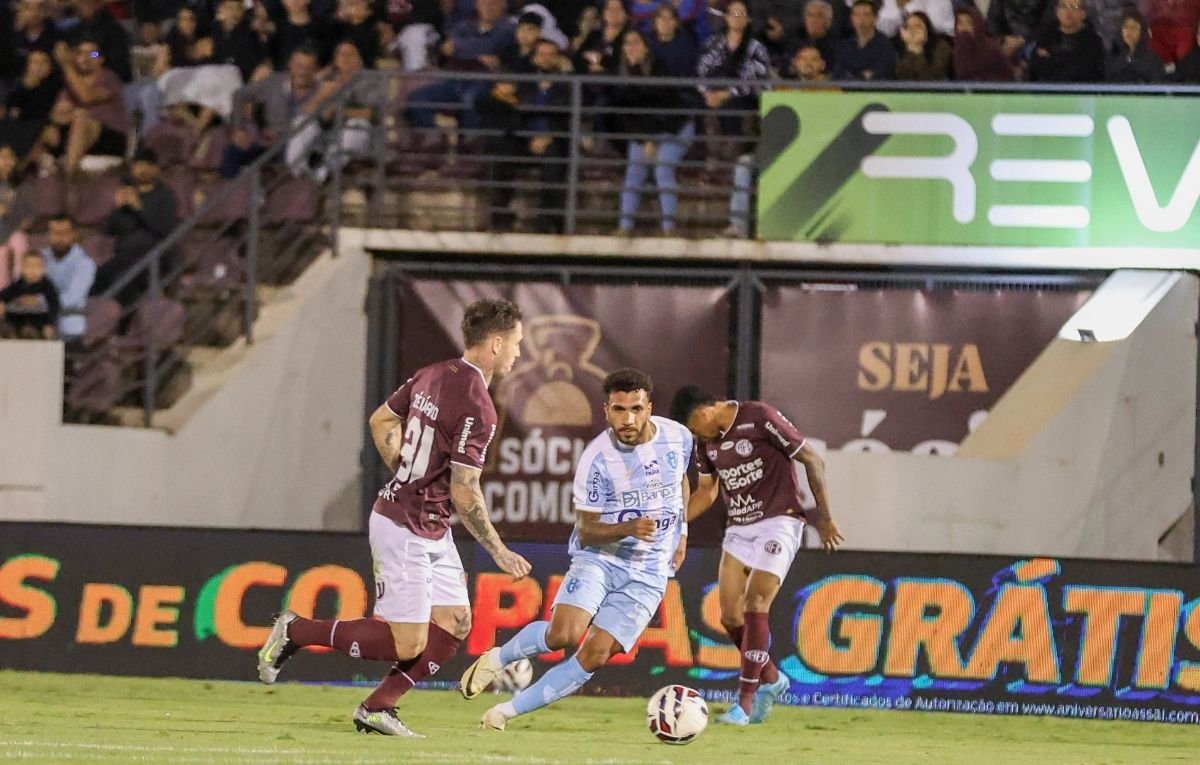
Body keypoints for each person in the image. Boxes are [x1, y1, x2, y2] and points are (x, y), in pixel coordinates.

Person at [257, 298, 533, 737]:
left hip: (428, 524)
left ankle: (377, 707)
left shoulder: (433, 373)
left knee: (456, 621)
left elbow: (382, 419)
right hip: (405, 527)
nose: (520, 352)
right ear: (496, 344)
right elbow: (465, 490)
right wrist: (498, 550)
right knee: (409, 642)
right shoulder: (479, 407)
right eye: (518, 343)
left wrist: (408, 473)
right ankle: (298, 630)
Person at [459, 368, 691, 731]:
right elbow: (587, 531)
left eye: (635, 408)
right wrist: (631, 527)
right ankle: (497, 658)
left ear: (650, 408)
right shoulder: (597, 460)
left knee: (594, 655)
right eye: (618, 409)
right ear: (605, 411)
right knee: (564, 634)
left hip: (649, 572)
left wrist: (683, 533)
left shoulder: (679, 437)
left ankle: (505, 713)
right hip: (601, 557)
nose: (627, 419)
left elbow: (681, 483)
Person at [668, 385, 843, 726]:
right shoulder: (707, 443)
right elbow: (707, 491)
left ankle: (744, 704)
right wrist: (672, 523)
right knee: (730, 618)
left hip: (779, 522)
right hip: (738, 529)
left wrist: (824, 517)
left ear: (704, 412)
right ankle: (773, 680)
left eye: (693, 428)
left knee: (755, 605)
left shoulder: (758, 417)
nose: (694, 436)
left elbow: (812, 459)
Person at [40, 215, 95, 345]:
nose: (58, 238)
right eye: (54, 233)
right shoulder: (40, 258)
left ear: (74, 234)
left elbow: (70, 299)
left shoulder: (85, 263)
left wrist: (36, 301)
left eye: (63, 233)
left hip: (69, 331)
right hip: (40, 327)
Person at [0, 250, 59, 339]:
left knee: (35, 331)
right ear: (22, 269)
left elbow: (54, 306)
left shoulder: (48, 287)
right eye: (29, 266)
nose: (33, 270)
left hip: (38, 322)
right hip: (17, 320)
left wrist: (49, 324)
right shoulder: (18, 285)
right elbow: (4, 295)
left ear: (44, 269)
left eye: (37, 266)